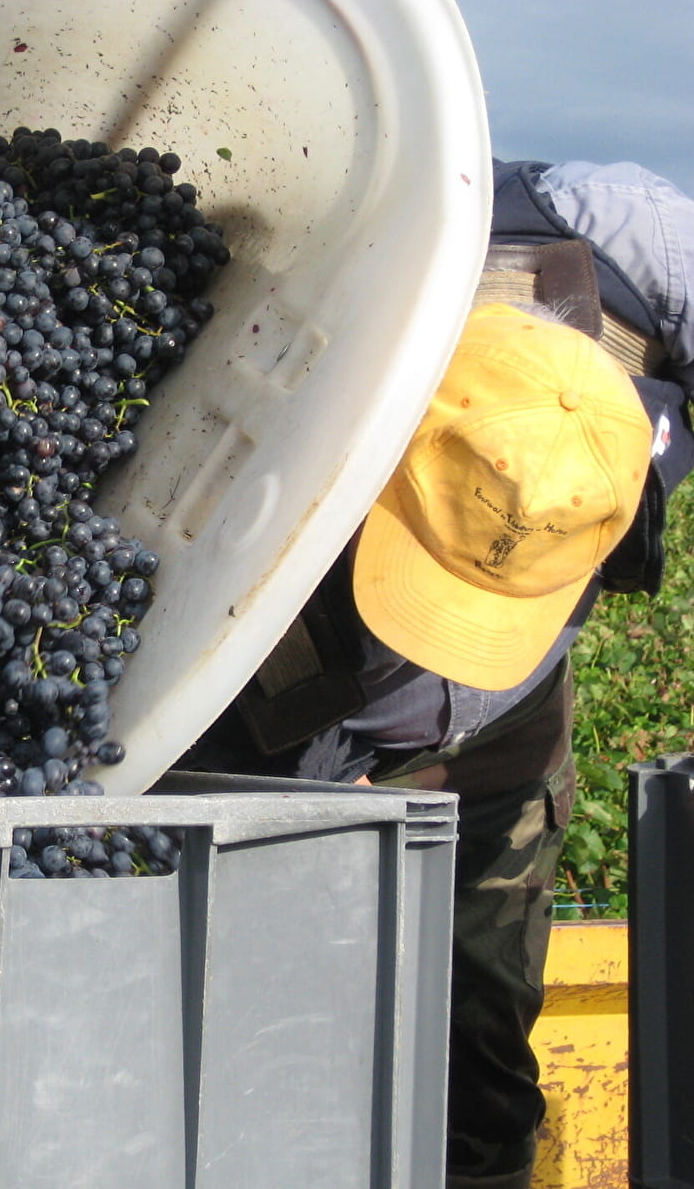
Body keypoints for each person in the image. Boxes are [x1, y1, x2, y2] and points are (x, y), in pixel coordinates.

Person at [179, 157, 694, 1189]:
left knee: (480, 1049)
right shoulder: (287, 336)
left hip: (508, 732)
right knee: (264, 1041)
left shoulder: (635, 247)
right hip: (291, 736)